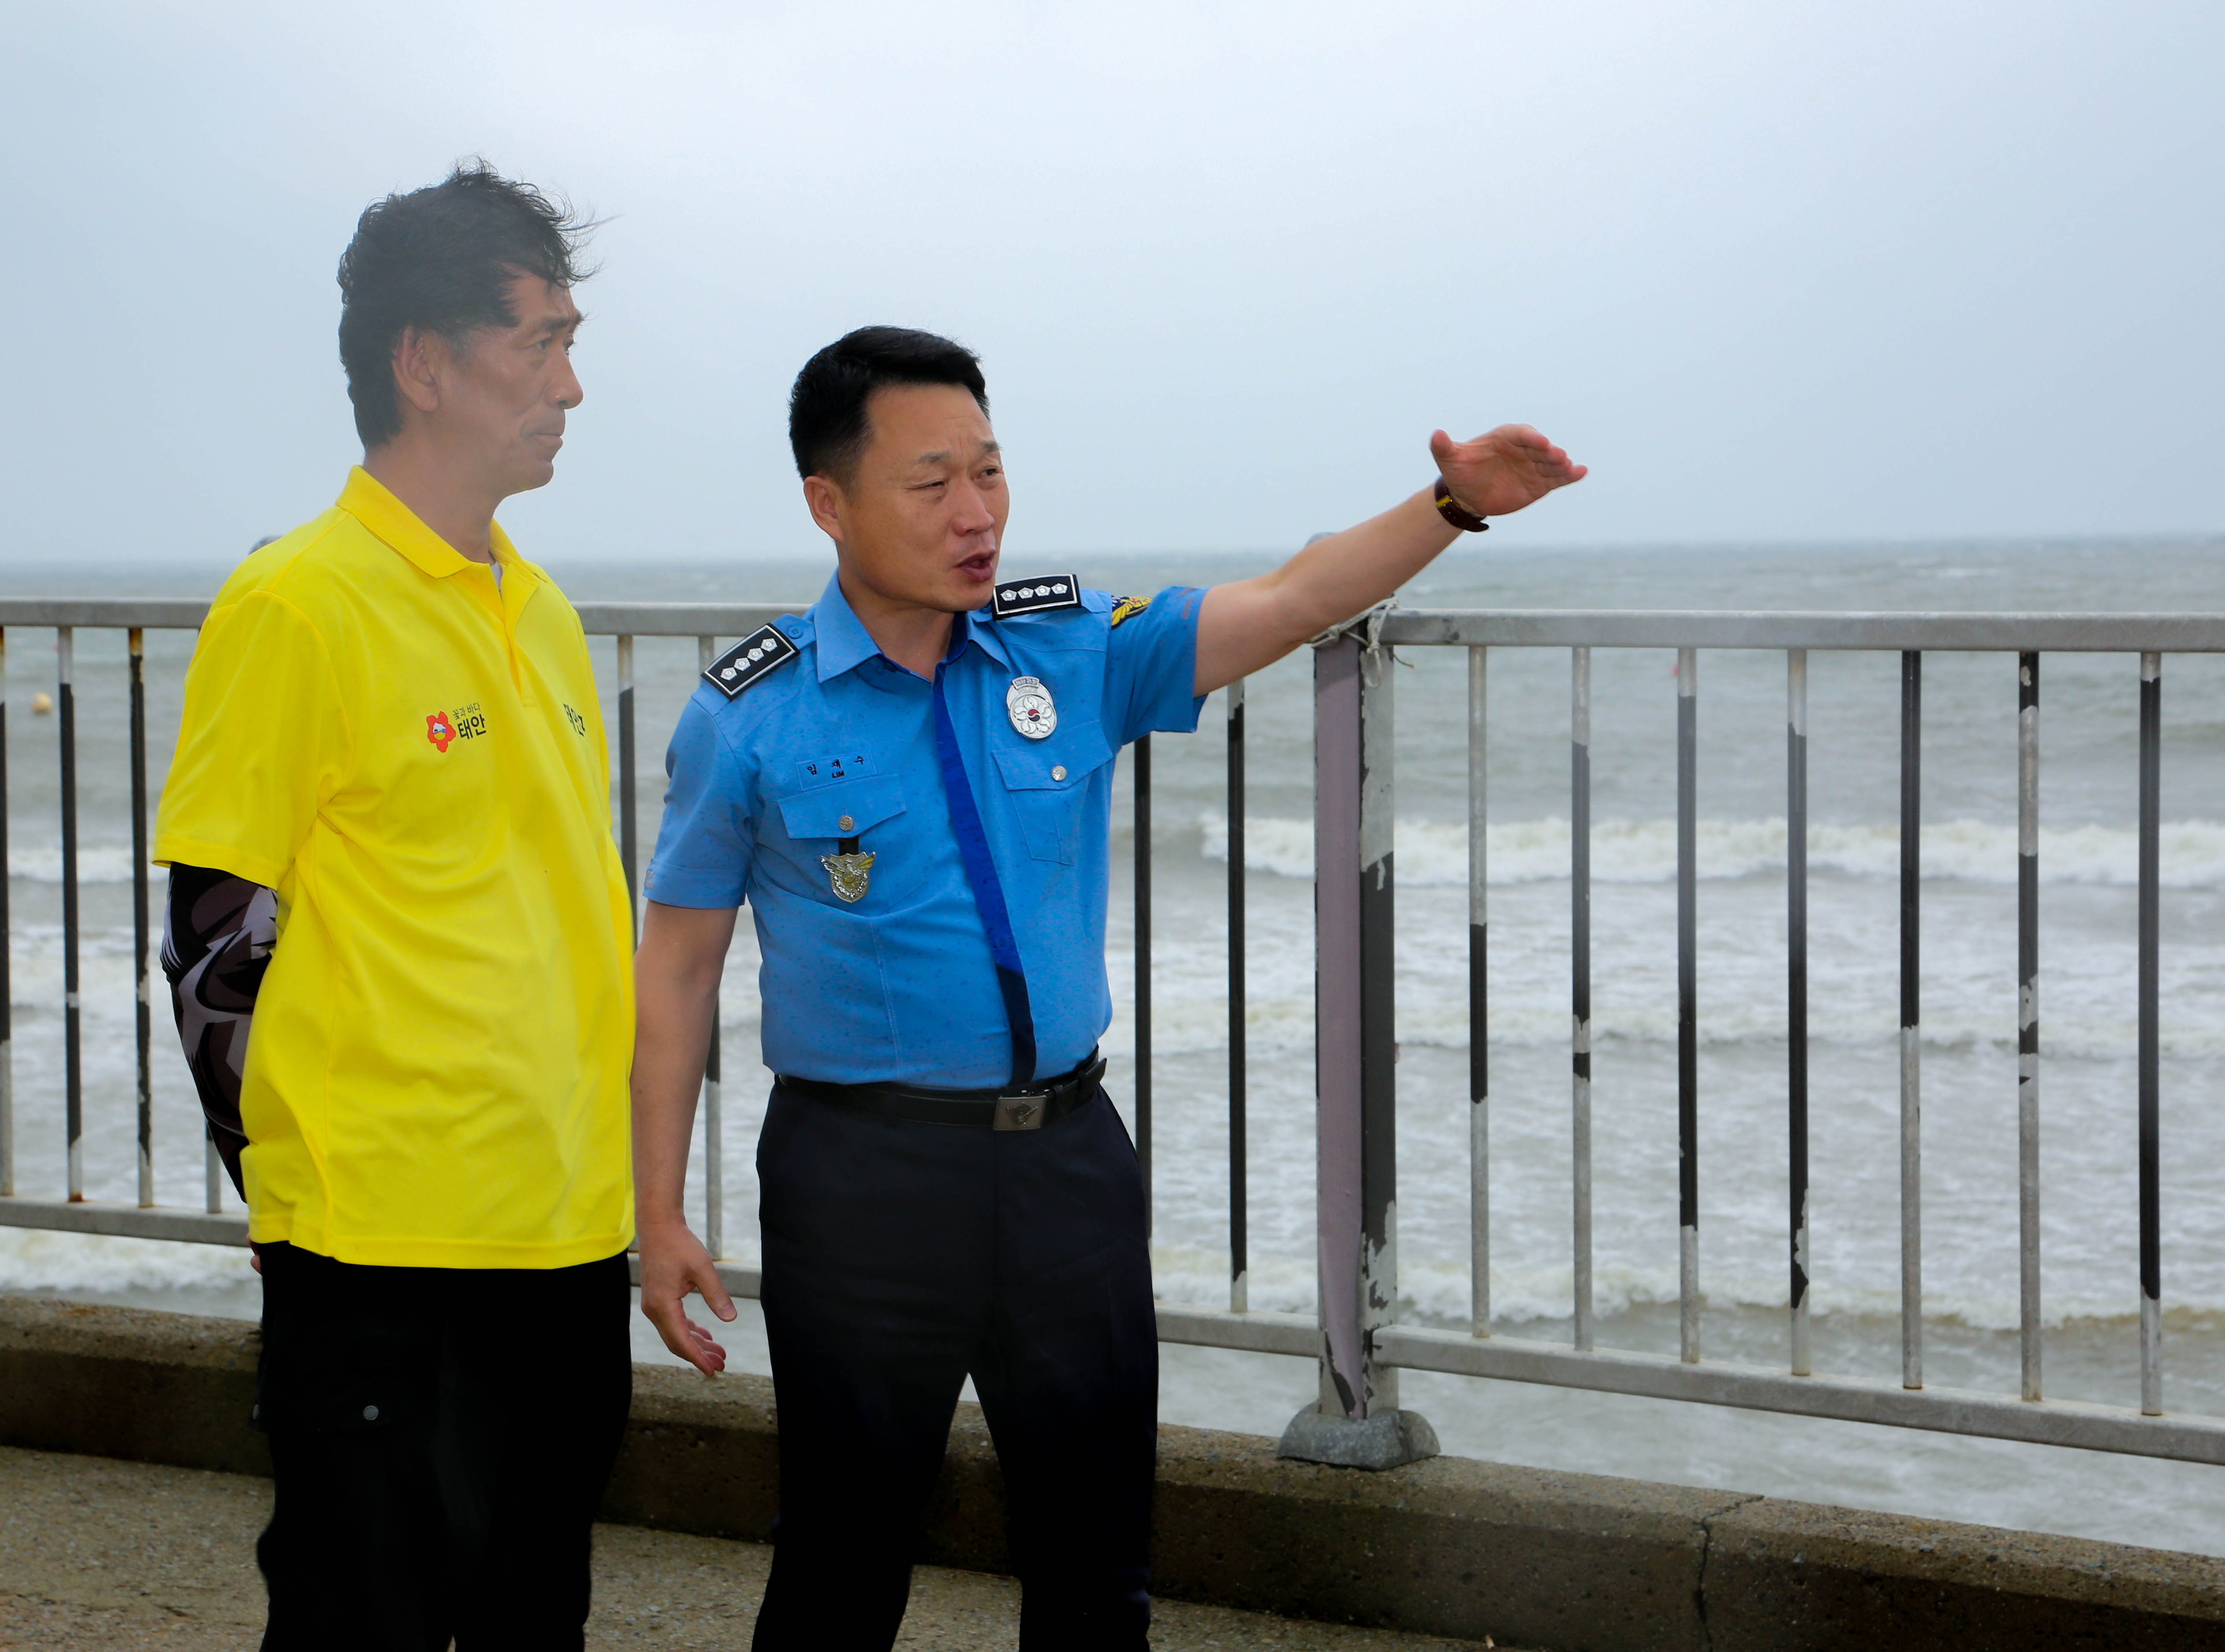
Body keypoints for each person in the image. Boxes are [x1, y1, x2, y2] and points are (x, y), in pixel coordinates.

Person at [632, 324, 1585, 1648]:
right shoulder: (750, 713)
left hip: (1064, 1167)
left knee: (1097, 1569)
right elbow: (676, 970)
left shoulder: (1066, 653)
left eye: (990, 471)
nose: (977, 516)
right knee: (843, 1563)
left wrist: (1449, 506)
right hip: (858, 1181)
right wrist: (659, 1209)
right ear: (828, 503)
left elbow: (1294, 597)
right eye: (931, 483)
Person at [155, 162, 634, 1649]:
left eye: (571, 340)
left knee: (529, 1622)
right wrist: (294, 1203)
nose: (572, 382)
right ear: (420, 363)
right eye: (538, 341)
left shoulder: (538, 605)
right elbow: (215, 942)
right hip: (382, 1260)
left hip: (565, 1238)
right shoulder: (298, 602)